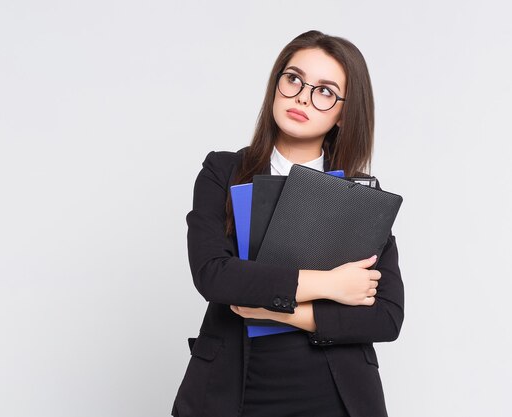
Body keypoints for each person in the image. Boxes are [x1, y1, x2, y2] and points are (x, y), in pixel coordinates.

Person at [171, 30, 404, 417]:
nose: (302, 97)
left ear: (344, 113)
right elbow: (214, 275)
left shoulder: (360, 196)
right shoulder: (223, 171)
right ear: (276, 84)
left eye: (325, 90)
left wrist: (275, 309)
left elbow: (386, 316)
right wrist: (330, 284)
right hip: (233, 385)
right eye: (294, 78)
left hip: (333, 391)